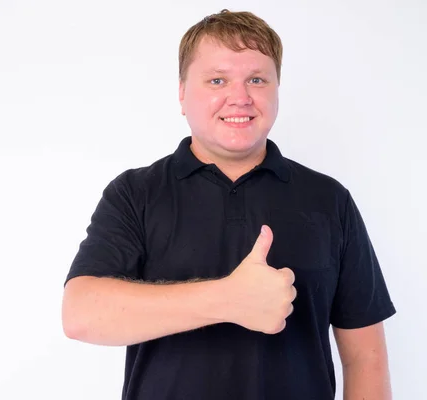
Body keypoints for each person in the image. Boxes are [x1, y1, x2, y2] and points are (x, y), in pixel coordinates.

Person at [62, 9, 396, 400]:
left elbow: (366, 358)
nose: (239, 98)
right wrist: (229, 299)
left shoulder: (329, 200)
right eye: (217, 80)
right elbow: (81, 315)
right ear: (183, 93)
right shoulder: (135, 193)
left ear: (276, 90)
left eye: (257, 80)